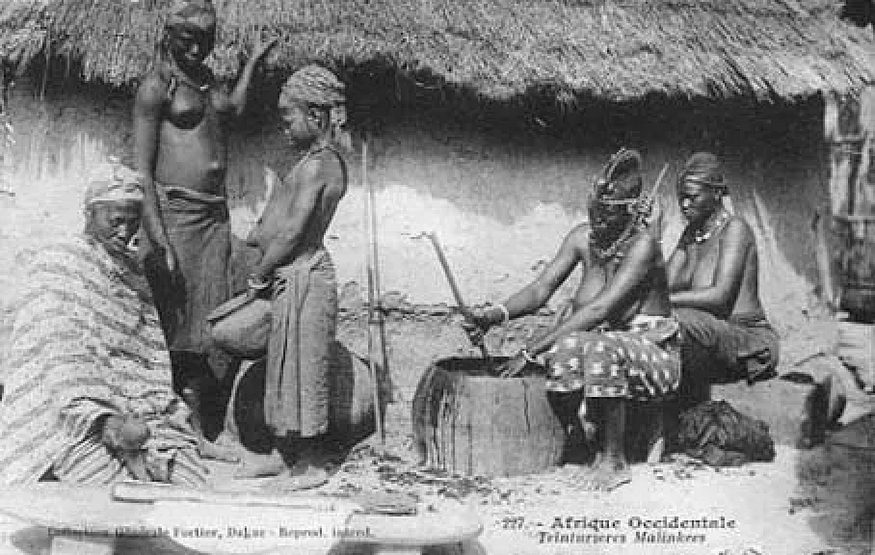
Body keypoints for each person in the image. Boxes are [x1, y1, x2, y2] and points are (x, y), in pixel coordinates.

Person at [466, 149, 680, 490]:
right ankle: (583, 445)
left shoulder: (644, 247)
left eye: (607, 214)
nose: (597, 220)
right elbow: (541, 289)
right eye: (594, 209)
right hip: (606, 348)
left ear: (631, 212)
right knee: (568, 345)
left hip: (653, 357)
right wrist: (493, 315)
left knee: (596, 344)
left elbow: (599, 310)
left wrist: (529, 350)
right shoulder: (584, 237)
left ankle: (614, 459)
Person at [0, 164, 225, 485]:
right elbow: (57, 355)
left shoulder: (133, 274)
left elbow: (146, 356)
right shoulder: (58, 263)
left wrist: (145, 407)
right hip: (75, 417)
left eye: (132, 223)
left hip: (140, 410)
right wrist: (104, 417)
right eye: (115, 221)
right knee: (114, 495)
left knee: (193, 482)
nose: (124, 232)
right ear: (89, 214)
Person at [133, 0, 275, 438]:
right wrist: (158, 236)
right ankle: (181, 426)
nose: (196, 48)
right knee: (176, 321)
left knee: (207, 320)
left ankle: (202, 426)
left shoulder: (207, 80)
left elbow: (231, 108)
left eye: (205, 40)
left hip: (213, 216)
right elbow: (142, 170)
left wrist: (251, 63)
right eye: (187, 39)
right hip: (177, 216)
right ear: (170, 36)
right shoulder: (156, 87)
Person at [232, 65, 349, 485]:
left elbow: (293, 231)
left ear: (315, 116)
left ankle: (312, 463)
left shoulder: (320, 166)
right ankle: (285, 456)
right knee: (284, 367)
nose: (284, 127)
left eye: (288, 118)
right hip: (293, 275)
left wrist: (259, 273)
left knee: (305, 369)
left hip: (306, 276)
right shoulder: (313, 162)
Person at [666, 153, 779, 408]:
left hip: (747, 339)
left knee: (675, 319)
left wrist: (664, 301)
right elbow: (665, 282)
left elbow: (719, 297)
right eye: (681, 197)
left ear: (716, 194)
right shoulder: (692, 233)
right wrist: (651, 238)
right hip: (710, 334)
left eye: (692, 197)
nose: (684, 205)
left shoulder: (735, 229)